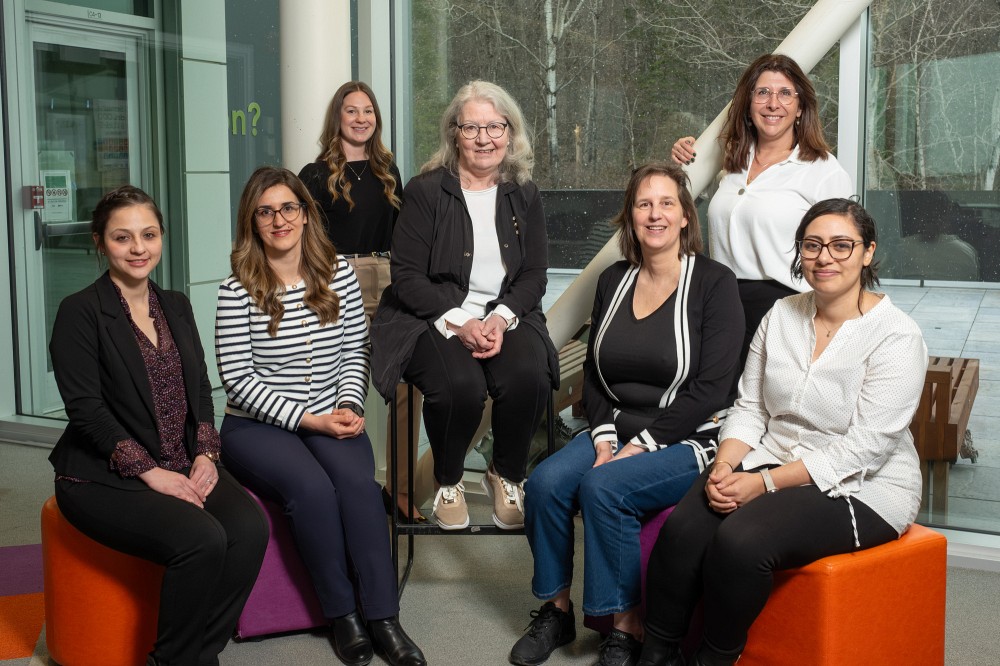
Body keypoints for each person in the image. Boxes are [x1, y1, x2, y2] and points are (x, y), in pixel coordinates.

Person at [636, 199, 927, 666]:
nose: (824, 257)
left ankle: (714, 657)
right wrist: (726, 465)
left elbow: (864, 447)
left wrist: (763, 484)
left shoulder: (897, 336)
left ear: (868, 252)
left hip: (866, 486)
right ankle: (657, 651)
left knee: (741, 541)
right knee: (685, 528)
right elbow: (750, 406)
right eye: (812, 245)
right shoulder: (781, 315)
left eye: (841, 245)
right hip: (770, 456)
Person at [509, 164, 744, 666]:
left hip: (689, 437)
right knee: (546, 484)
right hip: (613, 428)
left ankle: (625, 628)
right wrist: (603, 440)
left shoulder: (714, 284)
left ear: (685, 216)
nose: (654, 214)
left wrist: (640, 446)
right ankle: (556, 609)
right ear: (630, 216)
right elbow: (594, 376)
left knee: (603, 487)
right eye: (643, 204)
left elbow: (711, 390)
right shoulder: (614, 280)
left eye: (666, 203)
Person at [48, 185, 268, 666]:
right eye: (122, 237)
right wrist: (151, 472)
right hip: (102, 474)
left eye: (148, 235)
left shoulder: (176, 304)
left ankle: (190, 655)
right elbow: (85, 410)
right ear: (99, 242)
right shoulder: (79, 312)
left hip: (182, 456)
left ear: (161, 237)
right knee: (203, 539)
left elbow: (201, 388)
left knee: (250, 529)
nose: (138, 248)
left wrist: (207, 453)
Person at [215, 166, 425, 666]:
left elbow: (356, 349)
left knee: (357, 488)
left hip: (334, 411)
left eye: (289, 208)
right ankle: (343, 615)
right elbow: (238, 380)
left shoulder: (338, 275)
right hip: (257, 425)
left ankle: (383, 617)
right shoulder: (236, 289)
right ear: (252, 222)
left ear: (307, 216)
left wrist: (349, 405)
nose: (279, 219)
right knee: (311, 490)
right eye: (265, 211)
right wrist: (312, 421)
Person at [370, 80, 558, 531]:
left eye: (495, 127)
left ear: (510, 134)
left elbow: (534, 274)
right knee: (460, 387)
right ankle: (448, 478)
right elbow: (407, 276)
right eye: (471, 127)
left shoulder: (524, 193)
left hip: (505, 315)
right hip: (432, 318)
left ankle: (506, 473)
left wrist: (499, 317)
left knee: (531, 376)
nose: (484, 138)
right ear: (453, 133)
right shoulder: (425, 190)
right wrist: (460, 321)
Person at [298, 80, 429, 525]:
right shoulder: (314, 175)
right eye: (351, 111)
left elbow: (407, 234)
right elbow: (303, 240)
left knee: (407, 380)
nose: (361, 118)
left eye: (368, 110)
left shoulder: (388, 172)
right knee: (331, 380)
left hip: (388, 278)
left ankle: (401, 488)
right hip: (334, 280)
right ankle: (333, 483)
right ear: (337, 118)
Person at [671, 54, 853, 370]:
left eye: (785, 93)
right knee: (718, 407)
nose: (773, 103)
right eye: (762, 93)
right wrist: (683, 157)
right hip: (720, 306)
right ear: (749, 103)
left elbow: (844, 255)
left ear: (800, 107)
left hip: (785, 311)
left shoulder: (823, 171)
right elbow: (671, 207)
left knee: (770, 409)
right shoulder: (730, 162)